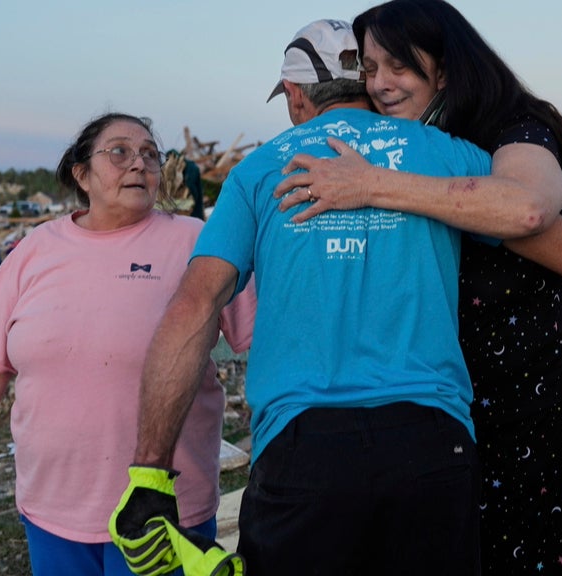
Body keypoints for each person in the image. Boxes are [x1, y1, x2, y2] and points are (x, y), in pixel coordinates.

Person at [113, 20, 491, 576]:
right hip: (432, 443)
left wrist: (150, 474)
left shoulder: (257, 171)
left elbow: (195, 308)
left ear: (294, 94)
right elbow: (536, 219)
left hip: (302, 449)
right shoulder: (447, 153)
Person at [270, 2, 562, 574]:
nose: (380, 85)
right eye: (369, 69)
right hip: (427, 411)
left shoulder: (509, 128)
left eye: (398, 66)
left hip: (520, 401)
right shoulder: (410, 140)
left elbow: (533, 213)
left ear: (447, 69)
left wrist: (372, 185)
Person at [0, 112, 255, 576]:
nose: (139, 163)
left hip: (163, 512)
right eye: (119, 151)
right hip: (51, 507)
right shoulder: (35, 249)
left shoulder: (196, 242)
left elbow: (260, 341)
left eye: (150, 154)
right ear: (81, 174)